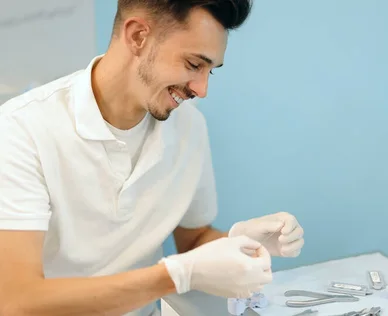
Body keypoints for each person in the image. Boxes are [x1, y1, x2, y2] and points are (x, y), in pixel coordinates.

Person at [0, 1, 305, 315]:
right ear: (137, 37)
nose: (202, 89)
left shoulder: (189, 128)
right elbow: (17, 301)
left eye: (210, 70)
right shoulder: (21, 130)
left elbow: (194, 240)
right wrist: (174, 275)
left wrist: (240, 240)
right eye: (193, 64)